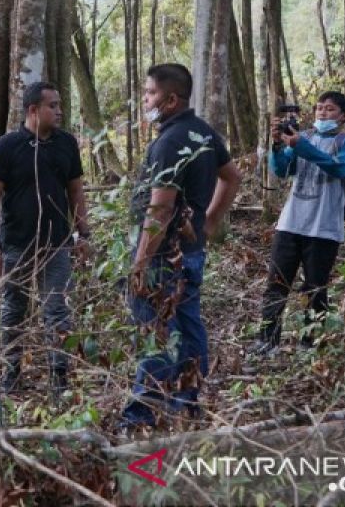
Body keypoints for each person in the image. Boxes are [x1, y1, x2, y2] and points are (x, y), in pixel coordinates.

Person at [122, 63, 241, 429]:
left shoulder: (172, 141)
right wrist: (210, 221)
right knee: (188, 327)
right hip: (189, 252)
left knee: (159, 331)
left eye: (151, 93)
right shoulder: (201, 132)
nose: (145, 99)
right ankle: (187, 404)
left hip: (163, 257)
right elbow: (232, 177)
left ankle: (141, 414)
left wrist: (140, 260)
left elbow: (161, 207)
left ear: (171, 99)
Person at [0, 82, 89, 394]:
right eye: (52, 106)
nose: (59, 111)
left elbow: (76, 191)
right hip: (16, 244)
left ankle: (59, 379)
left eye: (59, 105)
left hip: (57, 245)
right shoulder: (5, 147)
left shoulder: (67, 144)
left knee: (57, 309)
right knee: (14, 309)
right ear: (32, 110)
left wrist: (84, 233)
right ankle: (11, 376)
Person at [251, 92, 345, 356]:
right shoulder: (305, 138)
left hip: (324, 229)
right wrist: (278, 146)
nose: (322, 113)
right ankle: (267, 340)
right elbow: (282, 170)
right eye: (319, 108)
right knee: (276, 283)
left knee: (316, 288)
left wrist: (301, 146)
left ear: (344, 116)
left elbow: (339, 169)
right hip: (290, 223)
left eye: (330, 109)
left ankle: (309, 342)